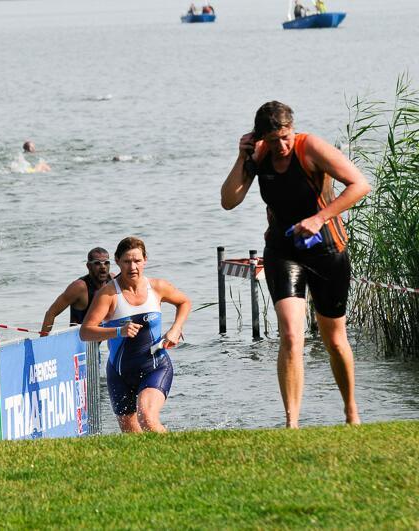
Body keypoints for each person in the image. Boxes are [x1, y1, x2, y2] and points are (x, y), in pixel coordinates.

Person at [221, 101, 370, 428]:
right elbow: (229, 201)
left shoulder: (310, 147)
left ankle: (351, 411)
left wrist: (319, 218)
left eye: (285, 137)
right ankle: (292, 423)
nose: (282, 146)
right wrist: (242, 157)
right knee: (291, 334)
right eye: (273, 140)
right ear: (261, 138)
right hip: (282, 250)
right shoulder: (259, 155)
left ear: (293, 130)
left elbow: (360, 185)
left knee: (334, 340)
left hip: (326, 249)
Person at [80, 237, 191, 433]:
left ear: (145, 260)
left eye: (137, 261)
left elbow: (184, 302)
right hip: (119, 373)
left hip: (155, 366)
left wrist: (176, 328)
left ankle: (178, 451)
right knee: (133, 437)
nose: (133, 267)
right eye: (127, 261)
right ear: (117, 261)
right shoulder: (108, 295)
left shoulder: (157, 287)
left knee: (147, 418)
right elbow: (86, 332)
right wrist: (118, 331)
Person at [41, 247, 112, 334]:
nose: (103, 267)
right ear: (89, 266)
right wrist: (43, 339)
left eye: (106, 263)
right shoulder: (79, 287)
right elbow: (51, 313)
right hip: (79, 338)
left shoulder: (112, 281)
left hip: (101, 336)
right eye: (97, 263)